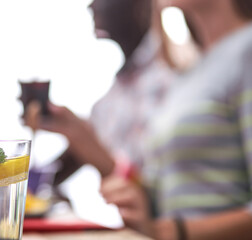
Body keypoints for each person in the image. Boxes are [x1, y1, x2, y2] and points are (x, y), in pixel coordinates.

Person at [100, 0, 252, 239]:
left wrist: (176, 232)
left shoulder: (246, 50)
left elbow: (171, 226)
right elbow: (167, 198)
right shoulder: (188, 75)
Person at [24, 0, 179, 186]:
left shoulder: (169, 79)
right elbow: (82, 151)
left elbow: (156, 191)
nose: (91, 6)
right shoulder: (121, 87)